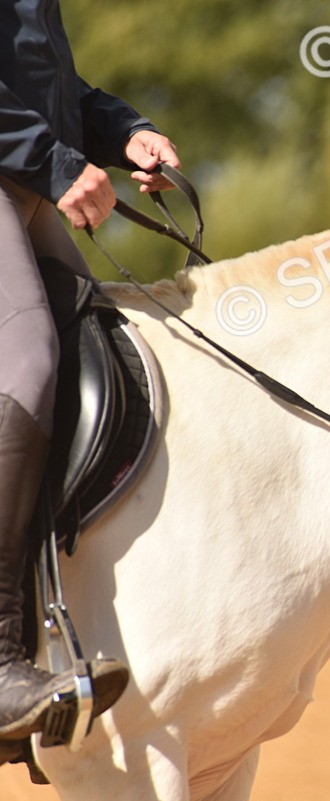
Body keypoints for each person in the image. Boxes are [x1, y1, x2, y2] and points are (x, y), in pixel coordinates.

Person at [1, 0, 181, 742]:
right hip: (18, 179)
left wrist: (125, 132)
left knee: (115, 351)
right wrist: (55, 161)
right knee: (31, 365)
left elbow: (50, 88)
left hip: (24, 185)